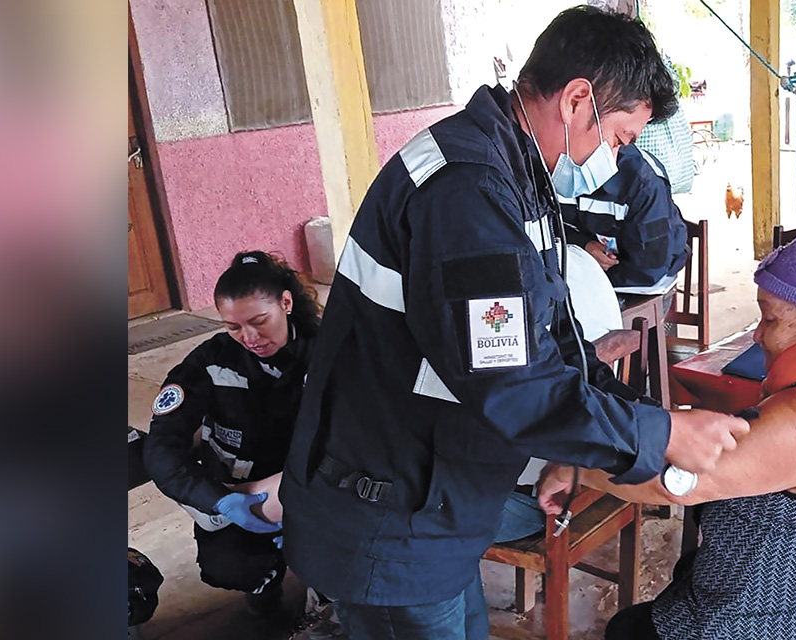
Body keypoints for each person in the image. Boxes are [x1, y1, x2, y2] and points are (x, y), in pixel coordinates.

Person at [278, 7, 749, 640]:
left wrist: (588, 443)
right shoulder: (466, 188)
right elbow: (512, 382)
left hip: (434, 495)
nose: (614, 159)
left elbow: (547, 337)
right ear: (577, 99)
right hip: (390, 512)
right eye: (618, 138)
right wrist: (658, 434)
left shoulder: (512, 171)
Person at [538, 227, 796, 640]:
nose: (757, 334)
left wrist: (576, 473)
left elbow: (674, 486)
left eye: (770, 318)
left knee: (627, 629)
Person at [142, 251, 319, 615]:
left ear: (286, 303)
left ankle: (327, 593)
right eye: (233, 327)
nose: (249, 337)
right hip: (242, 494)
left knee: (345, 561)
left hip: (317, 486)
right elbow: (161, 447)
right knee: (230, 566)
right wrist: (217, 500)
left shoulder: (328, 354)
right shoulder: (210, 363)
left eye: (259, 321)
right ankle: (264, 585)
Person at [560, 143, 689, 294]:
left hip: (644, 283)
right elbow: (550, 228)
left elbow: (648, 270)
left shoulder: (644, 182)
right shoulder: (556, 167)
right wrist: (584, 245)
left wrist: (590, 276)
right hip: (586, 272)